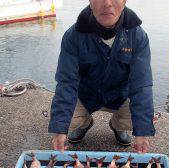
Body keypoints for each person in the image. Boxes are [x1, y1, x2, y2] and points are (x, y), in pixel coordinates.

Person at [48, 0, 155, 153]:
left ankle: (118, 126)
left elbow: (142, 84)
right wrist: (59, 129)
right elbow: (66, 82)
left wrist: (143, 132)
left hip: (120, 96)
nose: (107, 3)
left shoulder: (138, 36)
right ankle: (84, 123)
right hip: (85, 95)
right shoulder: (73, 36)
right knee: (60, 120)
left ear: (124, 2)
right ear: (91, 2)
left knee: (140, 120)